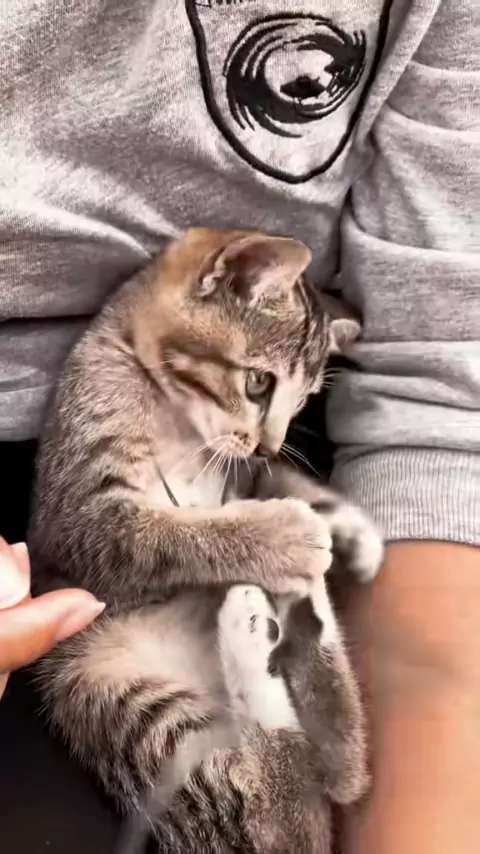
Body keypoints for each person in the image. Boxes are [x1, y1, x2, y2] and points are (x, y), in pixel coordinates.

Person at [0, 2, 478, 853]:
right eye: (260, 389)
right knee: (103, 680)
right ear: (215, 283)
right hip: (101, 579)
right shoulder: (114, 375)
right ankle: (283, 772)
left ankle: (303, 745)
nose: (268, 433)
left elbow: (441, 385)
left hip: (305, 500)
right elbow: (100, 545)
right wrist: (259, 540)